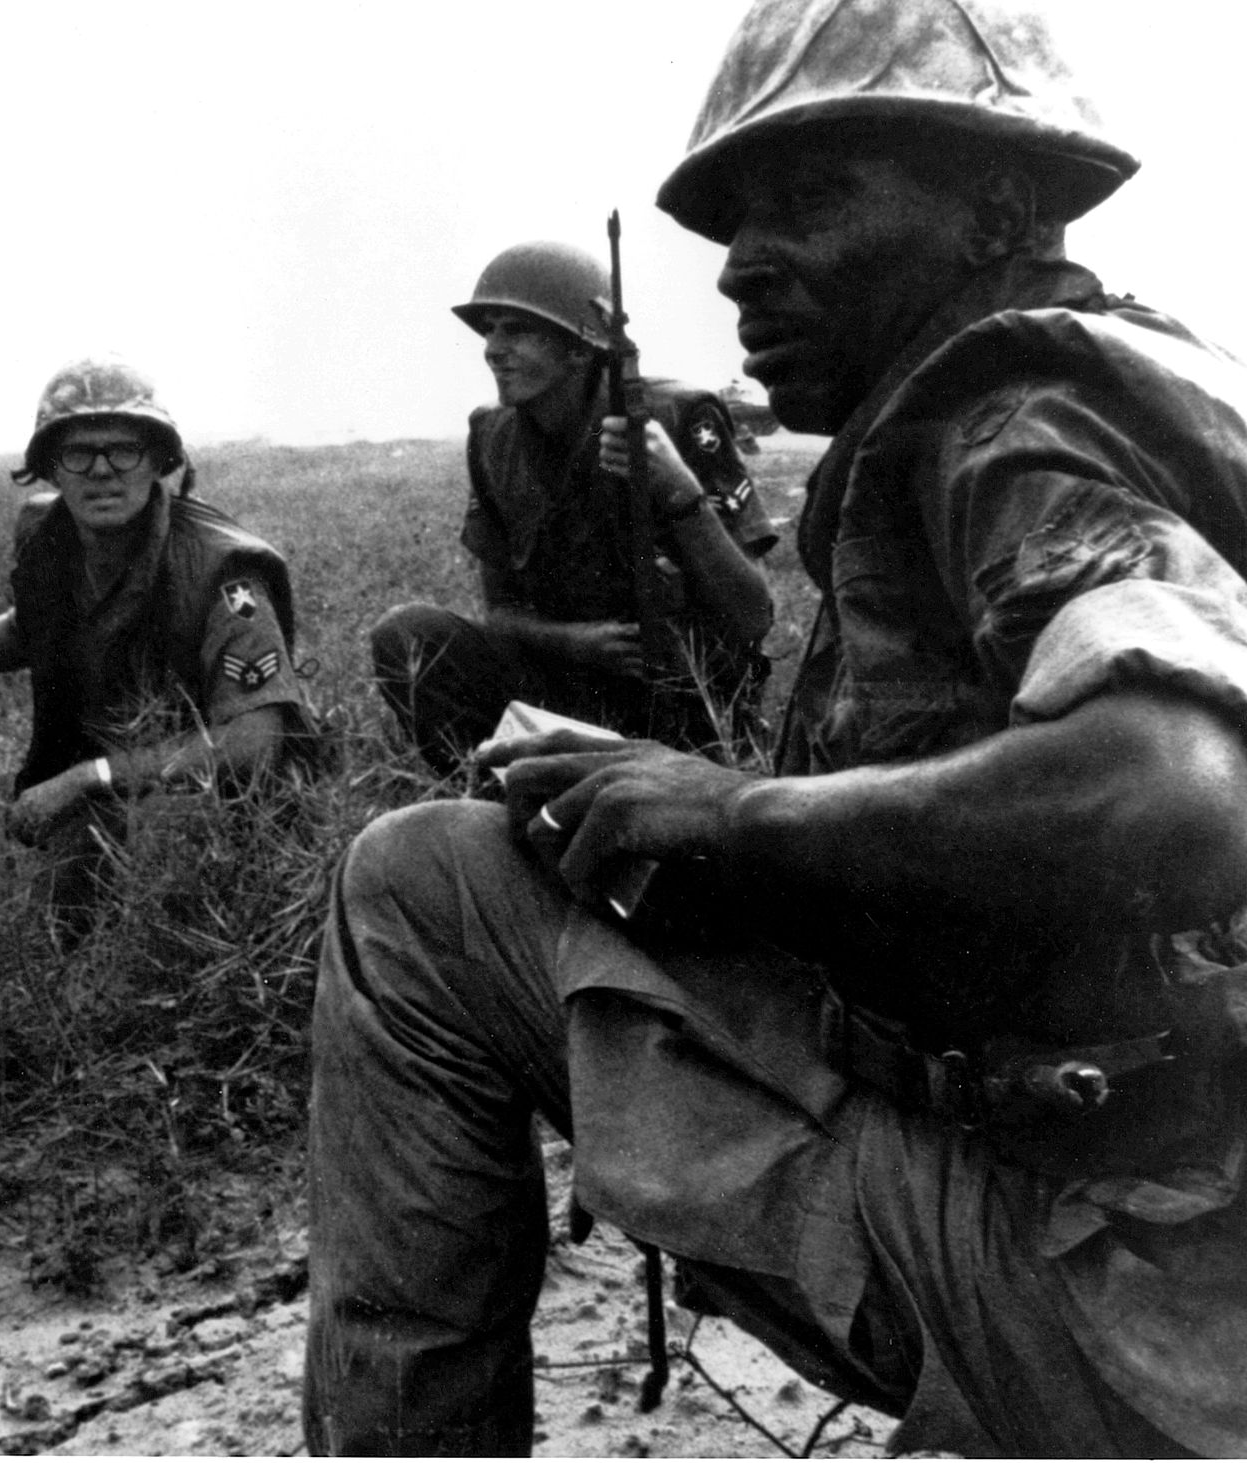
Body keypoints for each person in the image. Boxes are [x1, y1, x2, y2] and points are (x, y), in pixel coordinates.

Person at [303, 0, 1247, 1456]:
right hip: (1177, 1205)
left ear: (1001, 202)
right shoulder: (1153, 384)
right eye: (735, 219)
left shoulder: (1012, 415)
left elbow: (1173, 794)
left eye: (809, 197)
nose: (741, 264)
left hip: (1143, 1297)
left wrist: (723, 814)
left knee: (418, 890)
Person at [0, 356, 317, 937]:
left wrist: (84, 778)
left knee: (120, 931)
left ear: (158, 462)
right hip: (121, 788)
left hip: (222, 803)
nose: (102, 471)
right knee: (62, 919)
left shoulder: (225, 569)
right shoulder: (51, 536)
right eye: (79, 454)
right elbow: (32, 629)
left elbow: (253, 744)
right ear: (50, 468)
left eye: (124, 451)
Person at [368, 241, 778, 775]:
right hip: (563, 687)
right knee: (407, 634)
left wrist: (677, 488)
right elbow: (501, 614)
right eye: (490, 329)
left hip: (679, 701)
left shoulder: (678, 418)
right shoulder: (492, 436)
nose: (493, 348)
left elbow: (752, 617)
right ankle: (495, 791)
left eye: (516, 329)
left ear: (580, 350)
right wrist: (578, 643)